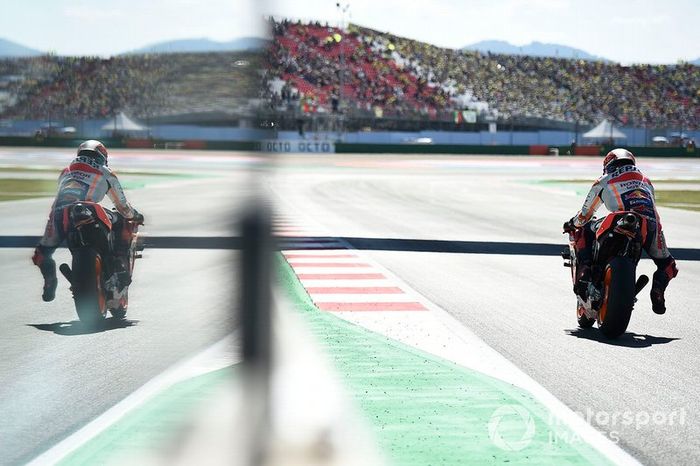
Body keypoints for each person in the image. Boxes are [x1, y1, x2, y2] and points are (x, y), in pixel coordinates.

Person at [564, 148, 678, 314]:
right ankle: (658, 290)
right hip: (651, 225)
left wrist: (571, 223)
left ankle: (585, 273)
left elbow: (585, 215)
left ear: (608, 164)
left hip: (620, 219)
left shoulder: (604, 180)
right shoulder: (646, 181)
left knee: (584, 228)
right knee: (668, 264)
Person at [32, 140, 143, 302]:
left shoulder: (66, 171)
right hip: (88, 211)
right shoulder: (106, 172)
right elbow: (123, 207)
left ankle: (50, 280)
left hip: (59, 214)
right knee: (121, 220)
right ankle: (119, 266)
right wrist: (136, 215)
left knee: (42, 253)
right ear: (102, 156)